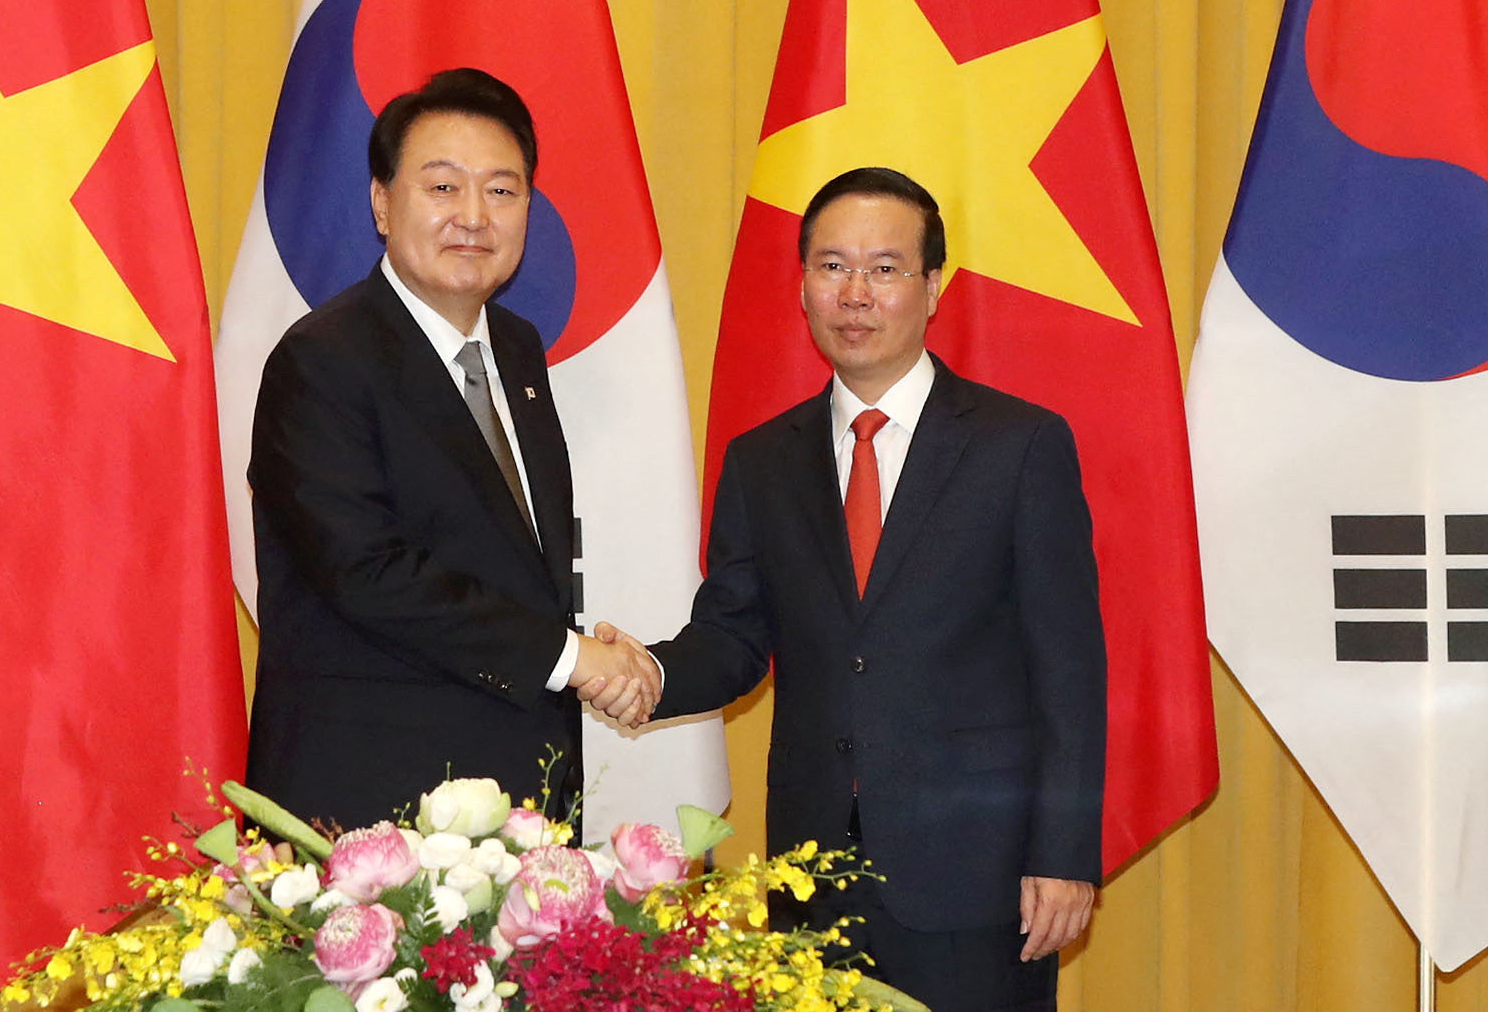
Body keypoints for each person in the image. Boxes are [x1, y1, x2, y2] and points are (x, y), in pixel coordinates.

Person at [586, 167, 1106, 1012]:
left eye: (884, 268)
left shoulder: (1019, 446)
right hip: (813, 872)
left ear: (932, 287)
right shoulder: (763, 459)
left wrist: (1063, 851)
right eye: (831, 266)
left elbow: (1070, 673)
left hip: (978, 874)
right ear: (802, 287)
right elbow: (733, 633)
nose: (855, 292)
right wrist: (642, 668)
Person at [244, 68, 657, 831]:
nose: (474, 215)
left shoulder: (518, 350)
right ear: (381, 202)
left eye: (501, 190)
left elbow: (511, 565)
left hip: (515, 800)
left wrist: (584, 653)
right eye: (442, 187)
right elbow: (368, 573)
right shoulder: (322, 360)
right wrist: (569, 659)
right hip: (372, 815)